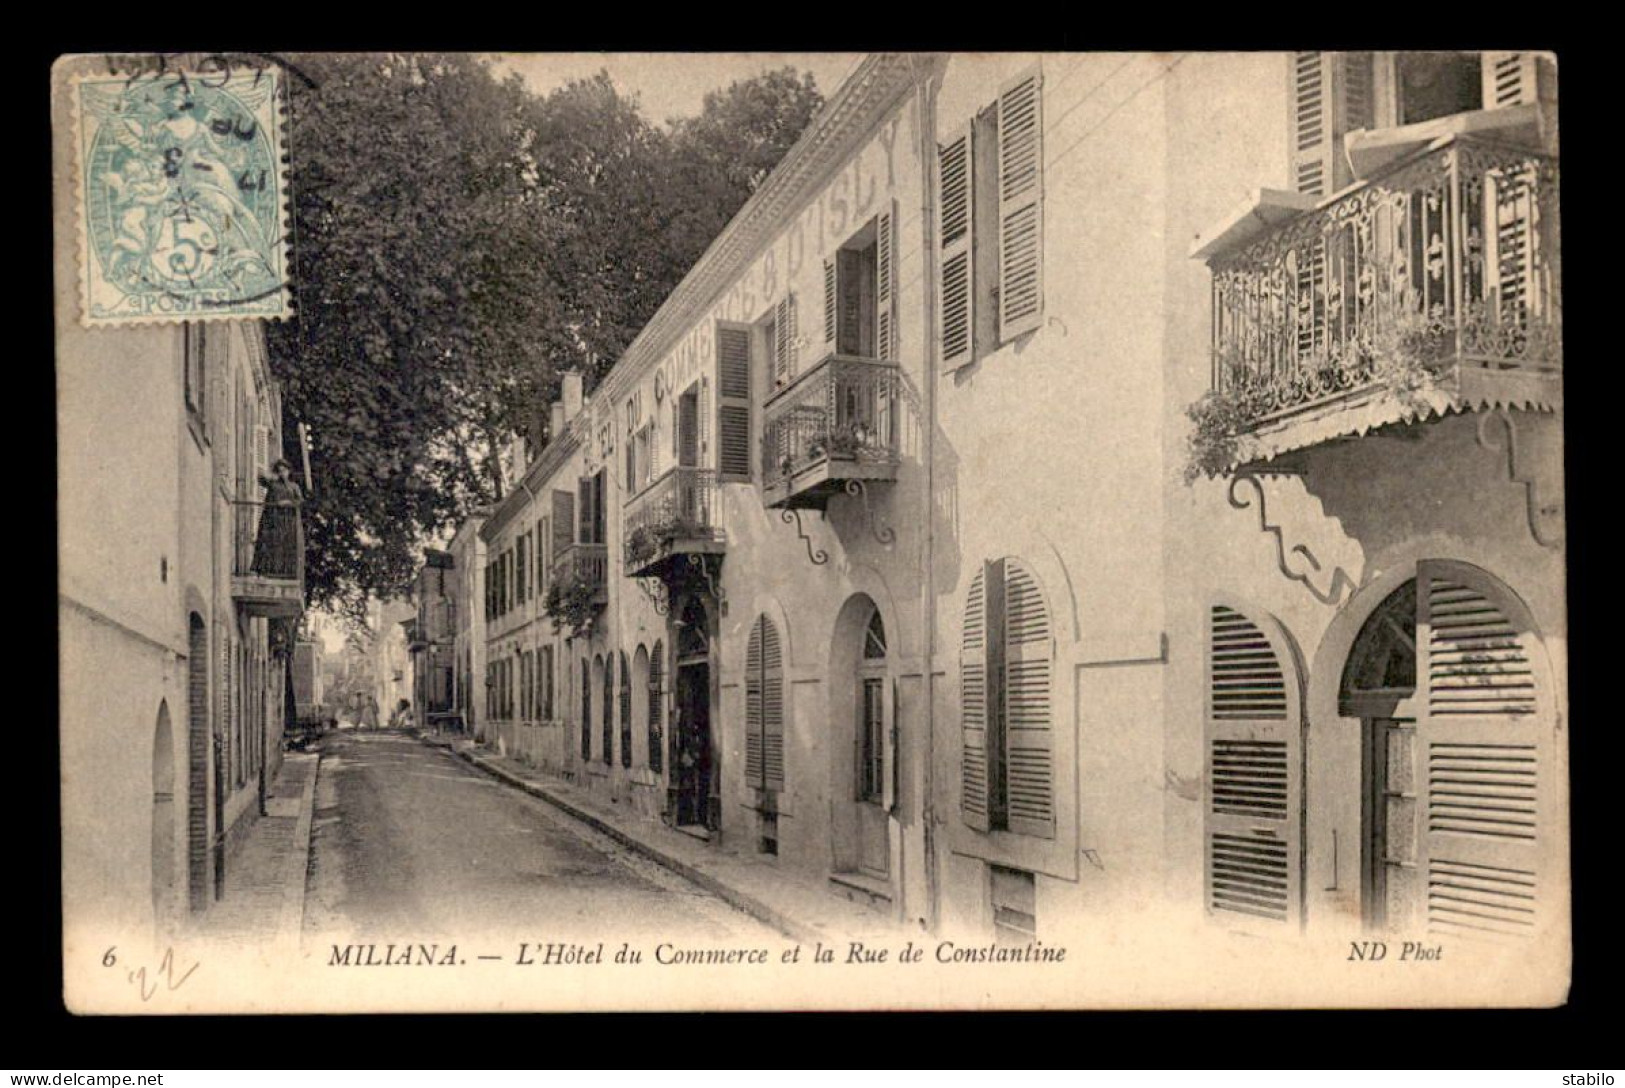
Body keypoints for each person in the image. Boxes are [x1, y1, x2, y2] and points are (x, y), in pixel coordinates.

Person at [252, 459, 303, 577]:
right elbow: (260, 478)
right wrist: (272, 475)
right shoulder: (273, 484)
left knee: (284, 544)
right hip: (272, 518)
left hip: (287, 520)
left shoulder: (294, 486)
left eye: (284, 470)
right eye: (279, 471)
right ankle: (266, 570)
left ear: (289, 471)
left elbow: (299, 501)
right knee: (270, 542)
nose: (282, 473)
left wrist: (287, 503)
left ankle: (283, 571)